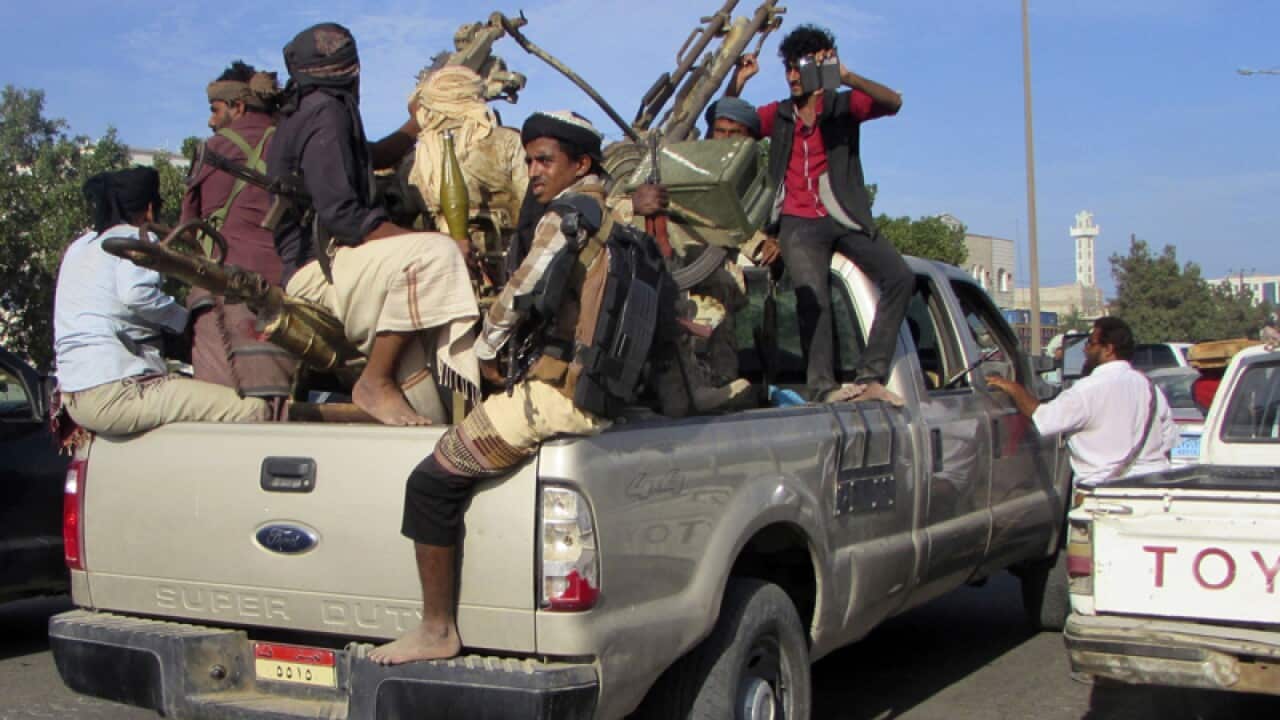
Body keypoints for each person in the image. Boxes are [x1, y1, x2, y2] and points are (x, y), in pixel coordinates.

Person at [370, 111, 622, 664]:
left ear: (580, 164)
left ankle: (437, 630)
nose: (533, 171)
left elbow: (521, 293)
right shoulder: (617, 215)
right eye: (529, 159)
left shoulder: (567, 217)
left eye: (545, 160)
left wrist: (482, 353)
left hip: (558, 397)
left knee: (430, 483)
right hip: (599, 391)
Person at [266, 22, 480, 426]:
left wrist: (416, 124)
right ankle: (375, 381)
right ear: (355, 71)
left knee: (419, 380)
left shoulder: (311, 109)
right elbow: (347, 220)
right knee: (437, 256)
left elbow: (375, 155)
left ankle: (427, 434)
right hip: (320, 268)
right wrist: (437, 240)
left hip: (333, 263)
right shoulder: (327, 112)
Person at [727, 24, 908, 406]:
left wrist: (846, 76)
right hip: (797, 221)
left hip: (845, 217)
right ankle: (823, 387)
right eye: (788, 68)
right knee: (813, 296)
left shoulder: (843, 106)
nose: (793, 76)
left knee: (900, 277)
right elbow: (730, 124)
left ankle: (869, 376)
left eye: (800, 67)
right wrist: (737, 82)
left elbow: (893, 102)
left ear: (820, 66)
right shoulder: (779, 115)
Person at [53, 168, 270, 435]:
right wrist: (186, 321)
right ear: (149, 210)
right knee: (252, 410)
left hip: (75, 393)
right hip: (115, 389)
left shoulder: (80, 246)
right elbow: (137, 294)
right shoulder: (137, 237)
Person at [182, 61, 295, 408]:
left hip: (218, 292)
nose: (211, 121)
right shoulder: (290, 143)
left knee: (217, 408)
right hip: (276, 295)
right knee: (271, 404)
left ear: (238, 107)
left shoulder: (212, 149)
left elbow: (188, 224)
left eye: (215, 110)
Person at [987, 317, 1178, 485]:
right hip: (1154, 491)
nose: (1085, 349)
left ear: (1108, 349)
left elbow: (1044, 418)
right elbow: (1167, 440)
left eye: (1090, 343)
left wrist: (1012, 388)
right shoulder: (1150, 388)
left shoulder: (1088, 389)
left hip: (1106, 495)